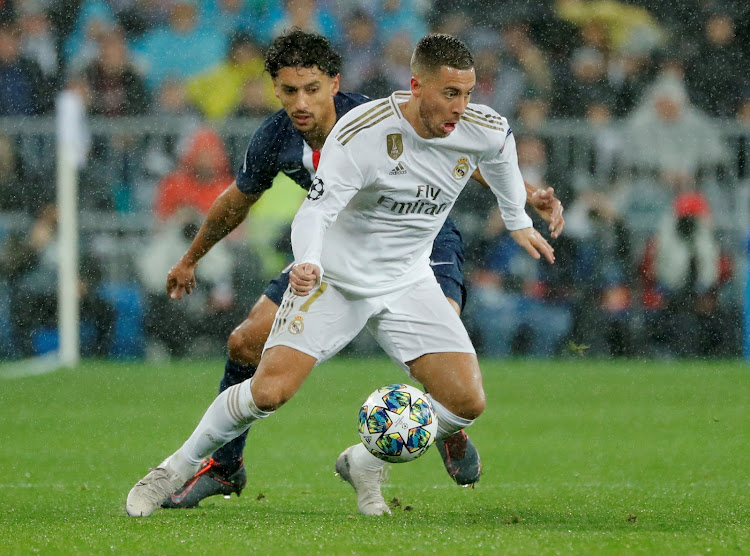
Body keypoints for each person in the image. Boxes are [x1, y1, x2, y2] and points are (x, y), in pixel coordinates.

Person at [133, 30, 564, 514]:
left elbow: (478, 150)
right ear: (274, 88)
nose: (301, 102)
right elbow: (261, 205)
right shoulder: (309, 135)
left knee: (461, 390)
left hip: (418, 250)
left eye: (312, 89)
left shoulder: (405, 115)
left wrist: (520, 206)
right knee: (251, 356)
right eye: (289, 90)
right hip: (332, 263)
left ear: (334, 84)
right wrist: (198, 257)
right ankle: (197, 467)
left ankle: (394, 445)